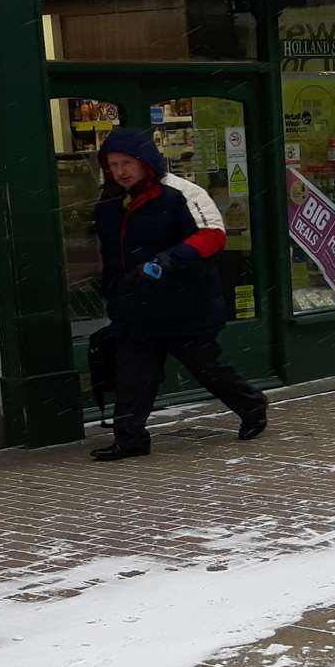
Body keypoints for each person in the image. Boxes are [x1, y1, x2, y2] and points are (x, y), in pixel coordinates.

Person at [90, 127, 268, 461]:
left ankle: (252, 405)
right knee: (133, 373)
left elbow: (212, 235)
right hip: (134, 304)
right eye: (113, 164)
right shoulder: (110, 201)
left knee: (205, 367)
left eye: (127, 163)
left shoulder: (181, 193)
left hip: (185, 302)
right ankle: (130, 438)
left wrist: (168, 261)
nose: (120, 171)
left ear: (146, 162)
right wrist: (114, 288)